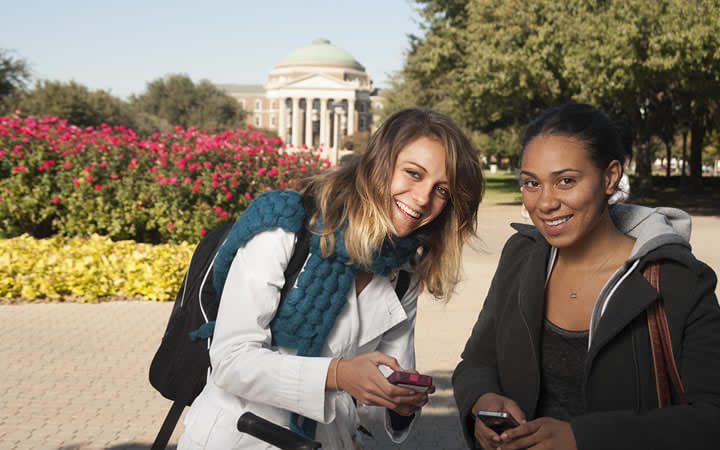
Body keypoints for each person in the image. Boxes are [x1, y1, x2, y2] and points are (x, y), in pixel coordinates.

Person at [179, 107, 485, 449]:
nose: (423, 198)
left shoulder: (403, 275)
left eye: (442, 190)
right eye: (413, 174)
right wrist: (337, 374)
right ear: (380, 164)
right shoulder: (287, 227)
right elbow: (231, 361)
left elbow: (379, 395)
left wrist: (398, 402)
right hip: (238, 438)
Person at [452, 103, 720, 450]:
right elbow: (477, 361)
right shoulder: (520, 257)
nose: (545, 202)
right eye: (531, 183)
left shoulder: (679, 280)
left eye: (566, 181)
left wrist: (582, 438)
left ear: (610, 177)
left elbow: (711, 419)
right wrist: (482, 401)